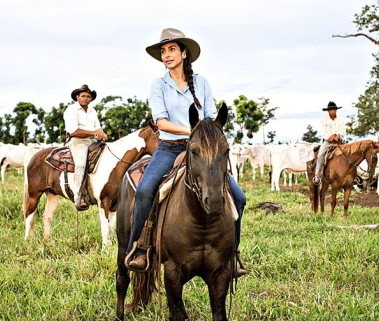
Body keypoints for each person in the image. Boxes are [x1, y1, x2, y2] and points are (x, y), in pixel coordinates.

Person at [126, 28, 247, 277]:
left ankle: (232, 254)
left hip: (202, 151)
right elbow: (160, 122)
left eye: (172, 49)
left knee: (239, 197)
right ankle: (138, 248)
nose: (167, 55)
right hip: (170, 149)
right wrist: (191, 131)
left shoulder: (201, 83)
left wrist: (206, 135)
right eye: (163, 51)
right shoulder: (158, 85)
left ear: (183, 53)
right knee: (145, 191)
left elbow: (211, 117)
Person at [64, 84, 108, 211]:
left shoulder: (92, 111)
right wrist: (94, 132)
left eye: (88, 96)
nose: (86, 98)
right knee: (81, 165)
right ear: (77, 97)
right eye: (83, 96)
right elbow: (73, 131)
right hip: (78, 141)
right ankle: (78, 196)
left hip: (92, 140)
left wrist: (101, 132)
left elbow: (97, 126)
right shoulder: (71, 110)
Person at [312, 101, 347, 185]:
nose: (333, 111)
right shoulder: (324, 120)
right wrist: (330, 137)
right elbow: (322, 132)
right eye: (331, 110)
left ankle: (351, 175)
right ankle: (317, 176)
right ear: (328, 111)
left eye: (334, 109)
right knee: (320, 154)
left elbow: (343, 131)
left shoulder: (341, 120)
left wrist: (337, 136)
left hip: (339, 141)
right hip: (328, 142)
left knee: (348, 154)